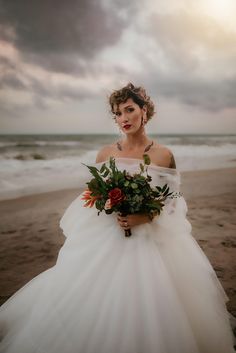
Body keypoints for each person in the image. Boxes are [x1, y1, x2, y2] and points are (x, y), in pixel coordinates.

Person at [0, 83, 235, 353]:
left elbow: (172, 201)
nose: (123, 118)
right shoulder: (105, 154)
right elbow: (92, 199)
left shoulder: (163, 155)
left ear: (144, 111)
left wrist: (145, 216)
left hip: (152, 239)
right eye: (117, 114)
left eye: (129, 110)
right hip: (108, 236)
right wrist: (110, 204)